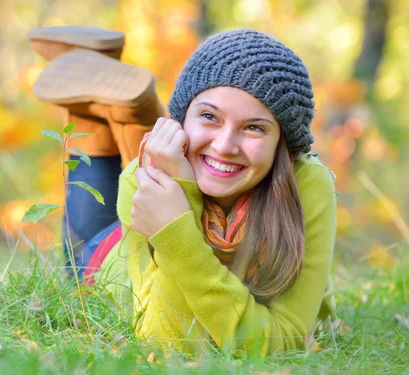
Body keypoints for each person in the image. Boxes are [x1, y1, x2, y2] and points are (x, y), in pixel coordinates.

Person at [30, 27, 337, 356]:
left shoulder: (307, 184)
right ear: (180, 119)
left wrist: (175, 228)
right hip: (104, 256)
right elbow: (166, 344)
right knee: (76, 260)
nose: (225, 145)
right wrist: (177, 200)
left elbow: (284, 340)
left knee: (188, 159)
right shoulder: (141, 177)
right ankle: (93, 116)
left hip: (159, 207)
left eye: (254, 127)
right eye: (208, 116)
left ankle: (127, 111)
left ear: (284, 146)